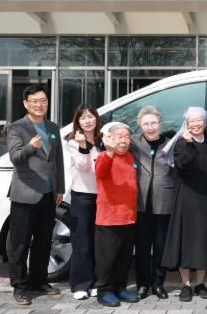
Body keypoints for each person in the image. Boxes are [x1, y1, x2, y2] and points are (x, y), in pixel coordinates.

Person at [160, 107, 207, 301]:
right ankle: (186, 285)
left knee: (204, 242)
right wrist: (189, 144)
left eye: (200, 120)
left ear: (205, 122)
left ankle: (200, 284)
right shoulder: (182, 142)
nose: (196, 124)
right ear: (186, 123)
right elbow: (183, 165)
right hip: (187, 197)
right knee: (185, 242)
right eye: (192, 121)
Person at [6, 84, 64, 306]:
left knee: (44, 241)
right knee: (20, 244)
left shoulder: (53, 127)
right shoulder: (16, 128)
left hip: (49, 194)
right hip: (25, 194)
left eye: (43, 100)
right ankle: (20, 287)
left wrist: (60, 189)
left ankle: (38, 281)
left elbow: (57, 160)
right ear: (26, 103)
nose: (40, 105)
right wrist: (30, 146)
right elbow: (15, 157)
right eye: (35, 101)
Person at [94, 122, 140, 308]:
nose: (124, 140)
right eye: (119, 137)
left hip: (129, 217)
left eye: (127, 137)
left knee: (124, 257)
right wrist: (109, 152)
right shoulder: (104, 156)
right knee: (107, 259)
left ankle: (120, 287)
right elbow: (100, 172)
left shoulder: (130, 157)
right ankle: (104, 291)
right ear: (110, 139)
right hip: (109, 218)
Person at [131, 106, 175, 300]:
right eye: (146, 124)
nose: (150, 127)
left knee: (161, 247)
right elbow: (110, 138)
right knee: (142, 247)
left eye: (154, 123)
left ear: (160, 123)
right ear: (140, 125)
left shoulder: (170, 143)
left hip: (164, 200)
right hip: (140, 202)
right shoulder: (133, 141)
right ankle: (142, 284)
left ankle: (158, 284)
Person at [66, 104, 101, 301]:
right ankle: (80, 284)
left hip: (102, 197)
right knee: (82, 243)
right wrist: (82, 146)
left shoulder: (101, 140)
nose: (88, 120)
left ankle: (95, 282)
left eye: (90, 116)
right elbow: (83, 166)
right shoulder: (73, 142)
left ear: (96, 118)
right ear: (78, 122)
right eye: (83, 117)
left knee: (97, 242)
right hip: (83, 197)